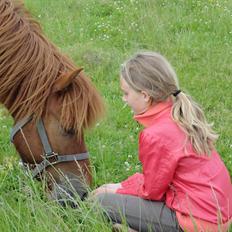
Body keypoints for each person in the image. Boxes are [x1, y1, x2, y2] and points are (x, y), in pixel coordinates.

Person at [92, 51, 232, 232]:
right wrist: (121, 186)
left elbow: (152, 192)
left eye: (126, 93)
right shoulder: (177, 115)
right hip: (220, 215)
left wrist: (117, 190)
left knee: (101, 202)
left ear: (145, 95)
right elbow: (165, 179)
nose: (124, 99)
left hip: (197, 223)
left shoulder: (156, 134)